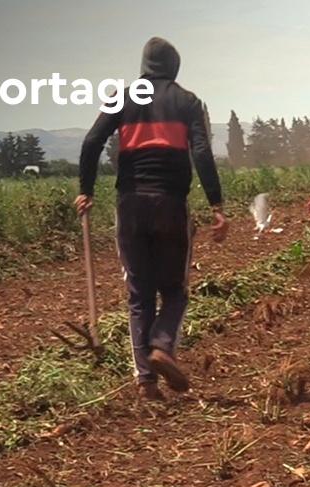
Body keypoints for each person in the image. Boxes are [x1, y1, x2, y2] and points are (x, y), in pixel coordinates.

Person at [75, 36, 228, 402]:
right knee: (174, 292)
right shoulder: (188, 101)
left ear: (144, 66)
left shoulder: (123, 98)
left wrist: (87, 190)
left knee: (139, 294)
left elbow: (91, 141)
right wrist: (216, 206)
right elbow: (203, 154)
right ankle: (162, 345)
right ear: (174, 67)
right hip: (171, 205)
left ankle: (146, 381)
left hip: (130, 205)